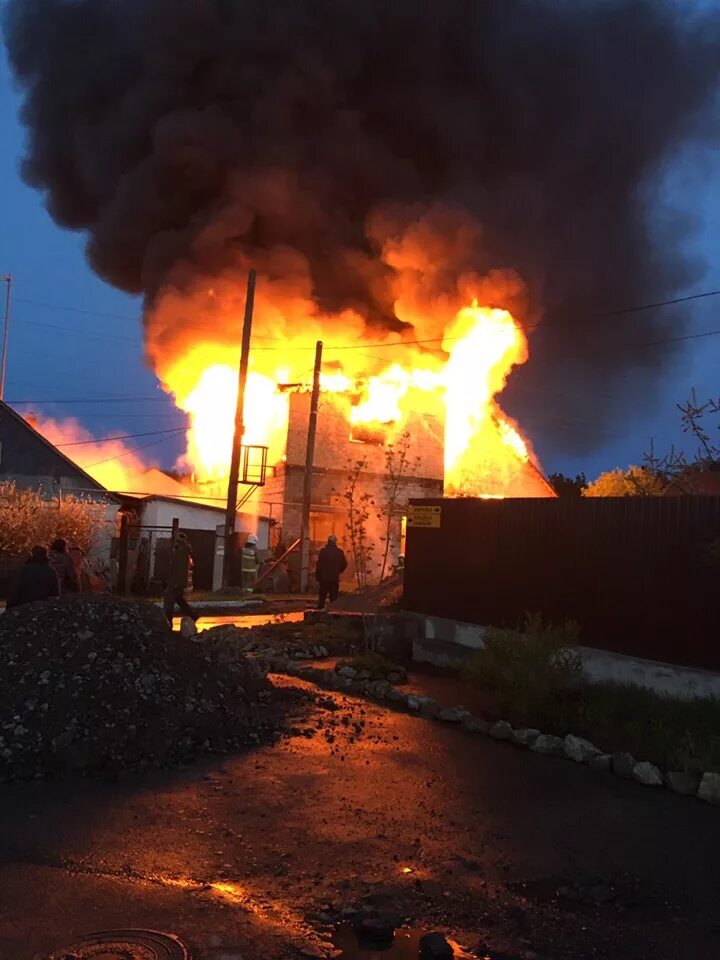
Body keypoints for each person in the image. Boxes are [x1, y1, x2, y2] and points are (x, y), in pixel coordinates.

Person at [6, 546, 60, 610]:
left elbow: (15, 590)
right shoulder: (51, 571)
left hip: (24, 608)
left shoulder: (23, 570)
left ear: (32, 555)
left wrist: (9, 606)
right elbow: (55, 595)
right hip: (43, 610)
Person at [162, 532, 198, 627]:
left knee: (169, 599)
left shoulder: (181, 551)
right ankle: (193, 615)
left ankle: (168, 620)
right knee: (179, 599)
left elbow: (179, 568)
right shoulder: (183, 550)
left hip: (175, 581)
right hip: (176, 581)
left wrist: (177, 582)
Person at [315, 535, 347, 609]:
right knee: (334, 598)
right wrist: (339, 571)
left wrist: (318, 576)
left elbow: (319, 565)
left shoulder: (323, 551)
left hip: (324, 578)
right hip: (334, 578)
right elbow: (345, 564)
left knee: (322, 597)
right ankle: (333, 614)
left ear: (328, 541)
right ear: (335, 542)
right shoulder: (339, 552)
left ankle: (319, 613)